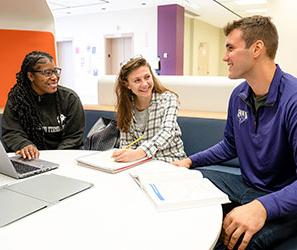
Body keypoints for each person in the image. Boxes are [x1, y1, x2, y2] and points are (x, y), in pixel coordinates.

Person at [173, 15, 297, 249]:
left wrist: (262, 207)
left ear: (257, 48)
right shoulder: (239, 95)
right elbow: (230, 145)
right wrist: (190, 161)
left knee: (238, 241)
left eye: (230, 48)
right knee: (186, 184)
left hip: (282, 197)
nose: (224, 56)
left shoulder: (293, 100)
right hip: (246, 185)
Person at [2, 50, 85, 159]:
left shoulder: (70, 99)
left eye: (55, 71)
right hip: (30, 159)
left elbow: (74, 138)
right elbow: (11, 132)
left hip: (63, 158)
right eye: (47, 73)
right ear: (31, 76)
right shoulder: (17, 99)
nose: (55, 77)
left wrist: (55, 158)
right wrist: (24, 145)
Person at [112, 56, 186, 163]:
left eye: (147, 77)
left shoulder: (169, 99)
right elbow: (127, 144)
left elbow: (167, 132)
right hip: (142, 163)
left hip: (171, 161)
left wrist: (138, 153)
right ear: (127, 84)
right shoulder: (126, 107)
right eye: (137, 80)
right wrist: (123, 154)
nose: (145, 84)